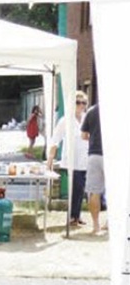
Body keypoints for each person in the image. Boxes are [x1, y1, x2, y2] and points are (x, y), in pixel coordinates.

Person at [47, 90, 89, 228]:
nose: (81, 105)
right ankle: (73, 216)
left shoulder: (86, 118)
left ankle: (76, 215)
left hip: (85, 160)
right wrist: (50, 160)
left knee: (81, 190)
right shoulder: (65, 120)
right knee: (76, 187)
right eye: (78, 102)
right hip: (71, 160)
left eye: (84, 103)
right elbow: (55, 140)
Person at [81, 102, 106, 235]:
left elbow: (84, 135)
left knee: (94, 191)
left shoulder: (91, 111)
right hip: (113, 156)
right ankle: (110, 222)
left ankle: (96, 225)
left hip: (94, 154)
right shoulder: (121, 109)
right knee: (116, 192)